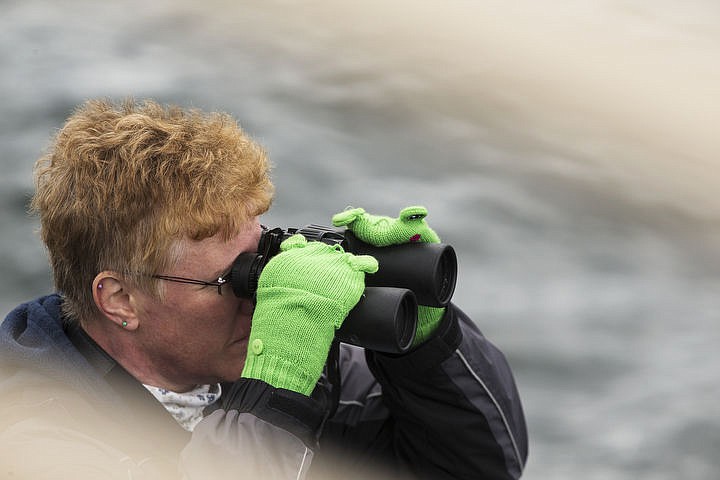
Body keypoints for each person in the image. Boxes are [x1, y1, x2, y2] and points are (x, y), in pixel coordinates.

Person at [0, 98, 528, 479]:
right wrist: (275, 392)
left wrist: (426, 342)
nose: (264, 297)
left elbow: (480, 466)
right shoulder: (31, 434)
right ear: (120, 299)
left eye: (265, 259)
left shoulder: (294, 360)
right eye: (234, 279)